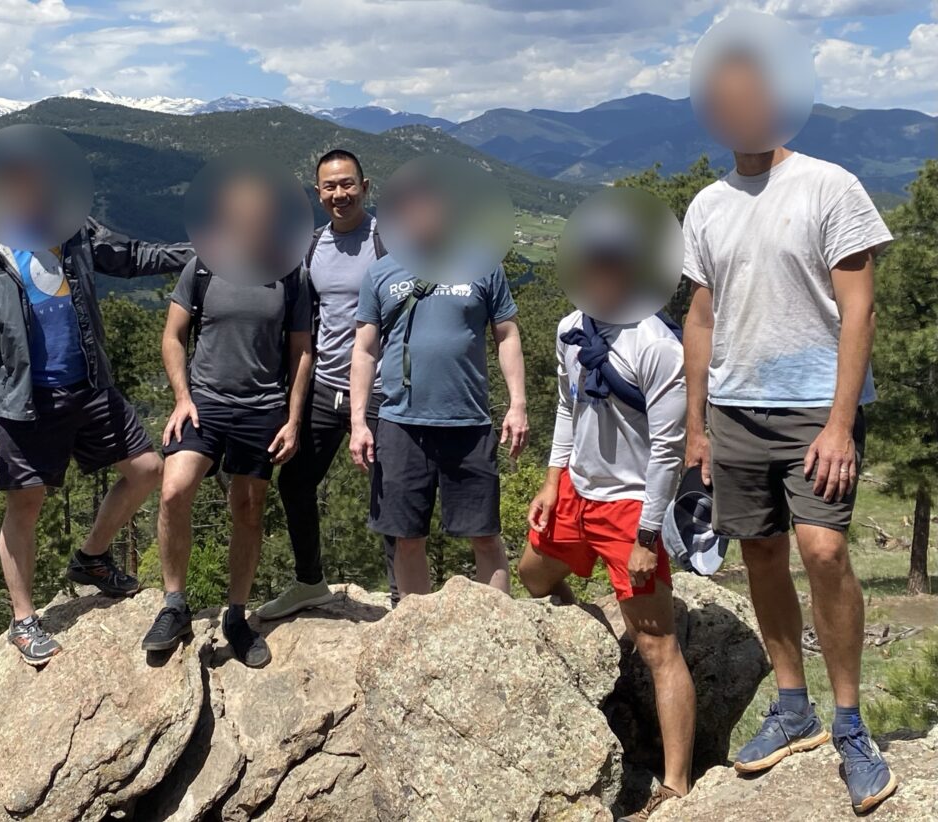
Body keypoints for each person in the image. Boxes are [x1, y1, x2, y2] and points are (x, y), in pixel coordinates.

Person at [682, 52, 897, 813]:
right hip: (735, 409)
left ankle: (849, 725)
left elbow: (859, 308)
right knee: (762, 554)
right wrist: (698, 425)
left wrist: (841, 423)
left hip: (815, 407)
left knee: (825, 548)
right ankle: (793, 707)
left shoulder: (830, 186)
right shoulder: (707, 205)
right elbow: (702, 317)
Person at [0, 162, 192, 666]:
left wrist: (203, 252)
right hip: (24, 401)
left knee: (146, 470)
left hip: (90, 385)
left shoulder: (72, 229)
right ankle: (23, 618)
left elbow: (133, 255)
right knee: (25, 505)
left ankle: (92, 558)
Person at [520, 244, 695, 821]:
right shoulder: (572, 329)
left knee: (656, 647)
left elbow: (669, 448)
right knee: (533, 575)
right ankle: (589, 614)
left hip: (629, 506)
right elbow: (569, 408)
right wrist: (552, 481)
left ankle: (676, 787)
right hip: (577, 488)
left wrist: (648, 538)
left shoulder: (657, 346)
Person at [140, 173, 314, 667]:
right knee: (174, 490)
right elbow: (173, 336)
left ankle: (236, 617)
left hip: (262, 408)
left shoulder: (290, 274)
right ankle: (174, 603)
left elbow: (302, 352)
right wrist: (181, 397)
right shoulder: (204, 266)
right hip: (206, 404)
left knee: (249, 509)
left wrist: (293, 418)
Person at [349, 180, 528, 599]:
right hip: (399, 423)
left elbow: (507, 335)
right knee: (407, 538)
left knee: (484, 534)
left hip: (469, 421)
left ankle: (497, 630)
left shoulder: (483, 266)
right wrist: (358, 421)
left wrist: (517, 404)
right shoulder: (381, 272)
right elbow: (364, 350)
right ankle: (417, 627)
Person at [262, 149, 400, 619]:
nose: (339, 194)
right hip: (324, 386)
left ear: (365, 185)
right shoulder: (311, 246)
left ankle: (401, 598)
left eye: (347, 184)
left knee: (391, 493)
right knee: (295, 482)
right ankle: (309, 581)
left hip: (382, 389)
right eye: (329, 186)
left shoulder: (390, 239)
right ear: (317, 192)